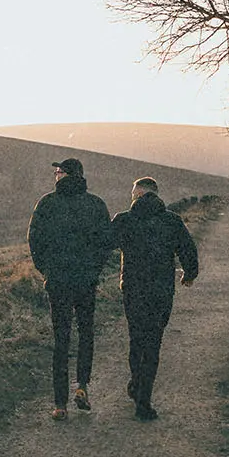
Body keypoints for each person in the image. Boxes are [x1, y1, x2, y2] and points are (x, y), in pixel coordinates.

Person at [27, 157, 111, 421]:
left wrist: (45, 269)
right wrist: (94, 270)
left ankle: (60, 404)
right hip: (85, 280)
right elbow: (105, 243)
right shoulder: (96, 204)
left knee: (61, 339)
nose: (55, 175)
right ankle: (83, 386)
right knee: (86, 333)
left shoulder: (47, 203)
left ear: (66, 175)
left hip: (59, 280)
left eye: (58, 171)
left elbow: (34, 238)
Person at [111, 176, 199, 420]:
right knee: (153, 344)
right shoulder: (171, 221)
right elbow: (188, 250)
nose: (131, 195)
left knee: (136, 339)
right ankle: (144, 401)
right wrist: (189, 275)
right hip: (161, 291)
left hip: (133, 290)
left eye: (133, 192)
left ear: (139, 194)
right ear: (157, 195)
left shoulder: (124, 220)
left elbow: (104, 244)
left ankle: (136, 383)